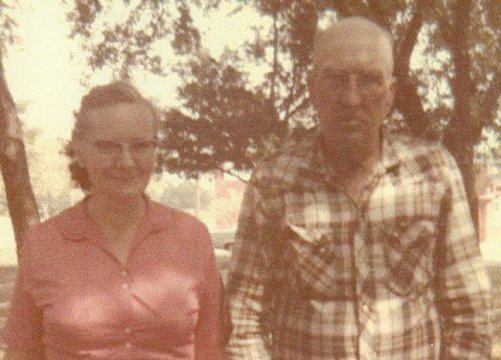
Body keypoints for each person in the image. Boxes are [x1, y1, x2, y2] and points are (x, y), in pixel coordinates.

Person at [225, 16, 492, 359]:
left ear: (391, 93)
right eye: (335, 79)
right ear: (312, 88)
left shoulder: (434, 173)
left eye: (369, 81)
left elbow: (469, 311)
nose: (351, 99)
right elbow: (243, 318)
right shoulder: (273, 183)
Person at [2, 81, 223, 359]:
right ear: (79, 152)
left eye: (141, 146)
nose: (127, 162)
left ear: (156, 151)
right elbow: (22, 352)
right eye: (108, 147)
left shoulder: (192, 236)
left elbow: (212, 349)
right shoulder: (44, 242)